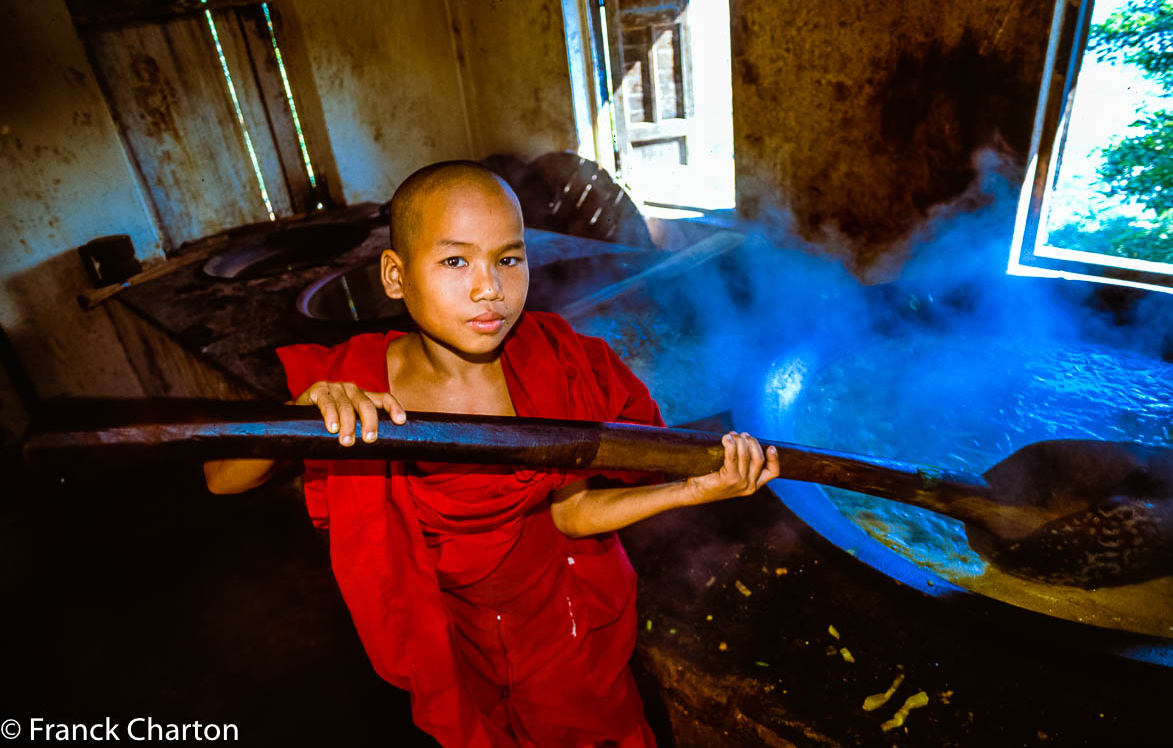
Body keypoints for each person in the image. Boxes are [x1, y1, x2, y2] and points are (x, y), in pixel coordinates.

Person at [204, 161, 779, 747]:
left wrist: (693, 489)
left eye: (509, 258)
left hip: (564, 625)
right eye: (456, 261)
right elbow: (221, 479)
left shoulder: (548, 359)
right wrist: (304, 416)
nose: (490, 289)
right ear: (396, 275)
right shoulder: (356, 381)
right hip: (453, 635)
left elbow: (569, 515)